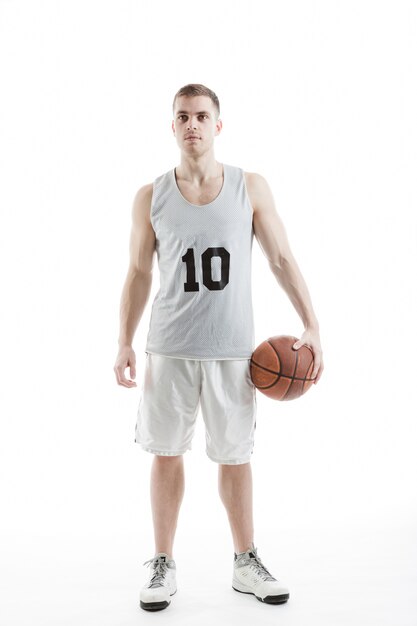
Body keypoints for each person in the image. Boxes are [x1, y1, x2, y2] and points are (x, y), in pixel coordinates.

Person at [113, 83, 324, 612]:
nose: (192, 126)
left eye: (202, 116)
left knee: (235, 458)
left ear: (218, 125)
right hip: (169, 347)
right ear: (172, 126)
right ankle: (163, 563)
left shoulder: (249, 187)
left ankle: (245, 560)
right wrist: (124, 341)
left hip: (233, 351)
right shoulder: (151, 195)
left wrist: (311, 322)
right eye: (182, 117)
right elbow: (139, 273)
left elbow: (280, 257)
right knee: (166, 454)